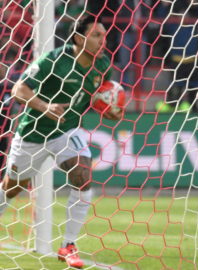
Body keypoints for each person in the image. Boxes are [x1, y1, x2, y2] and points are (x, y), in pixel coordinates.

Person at [0, 15, 121, 268]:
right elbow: (19, 90)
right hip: (33, 133)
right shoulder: (55, 59)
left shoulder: (102, 65)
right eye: (96, 35)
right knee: (11, 189)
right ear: (78, 38)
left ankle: (68, 246)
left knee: (83, 175)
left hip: (67, 130)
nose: (102, 40)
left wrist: (108, 110)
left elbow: (94, 96)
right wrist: (45, 107)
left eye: (103, 35)